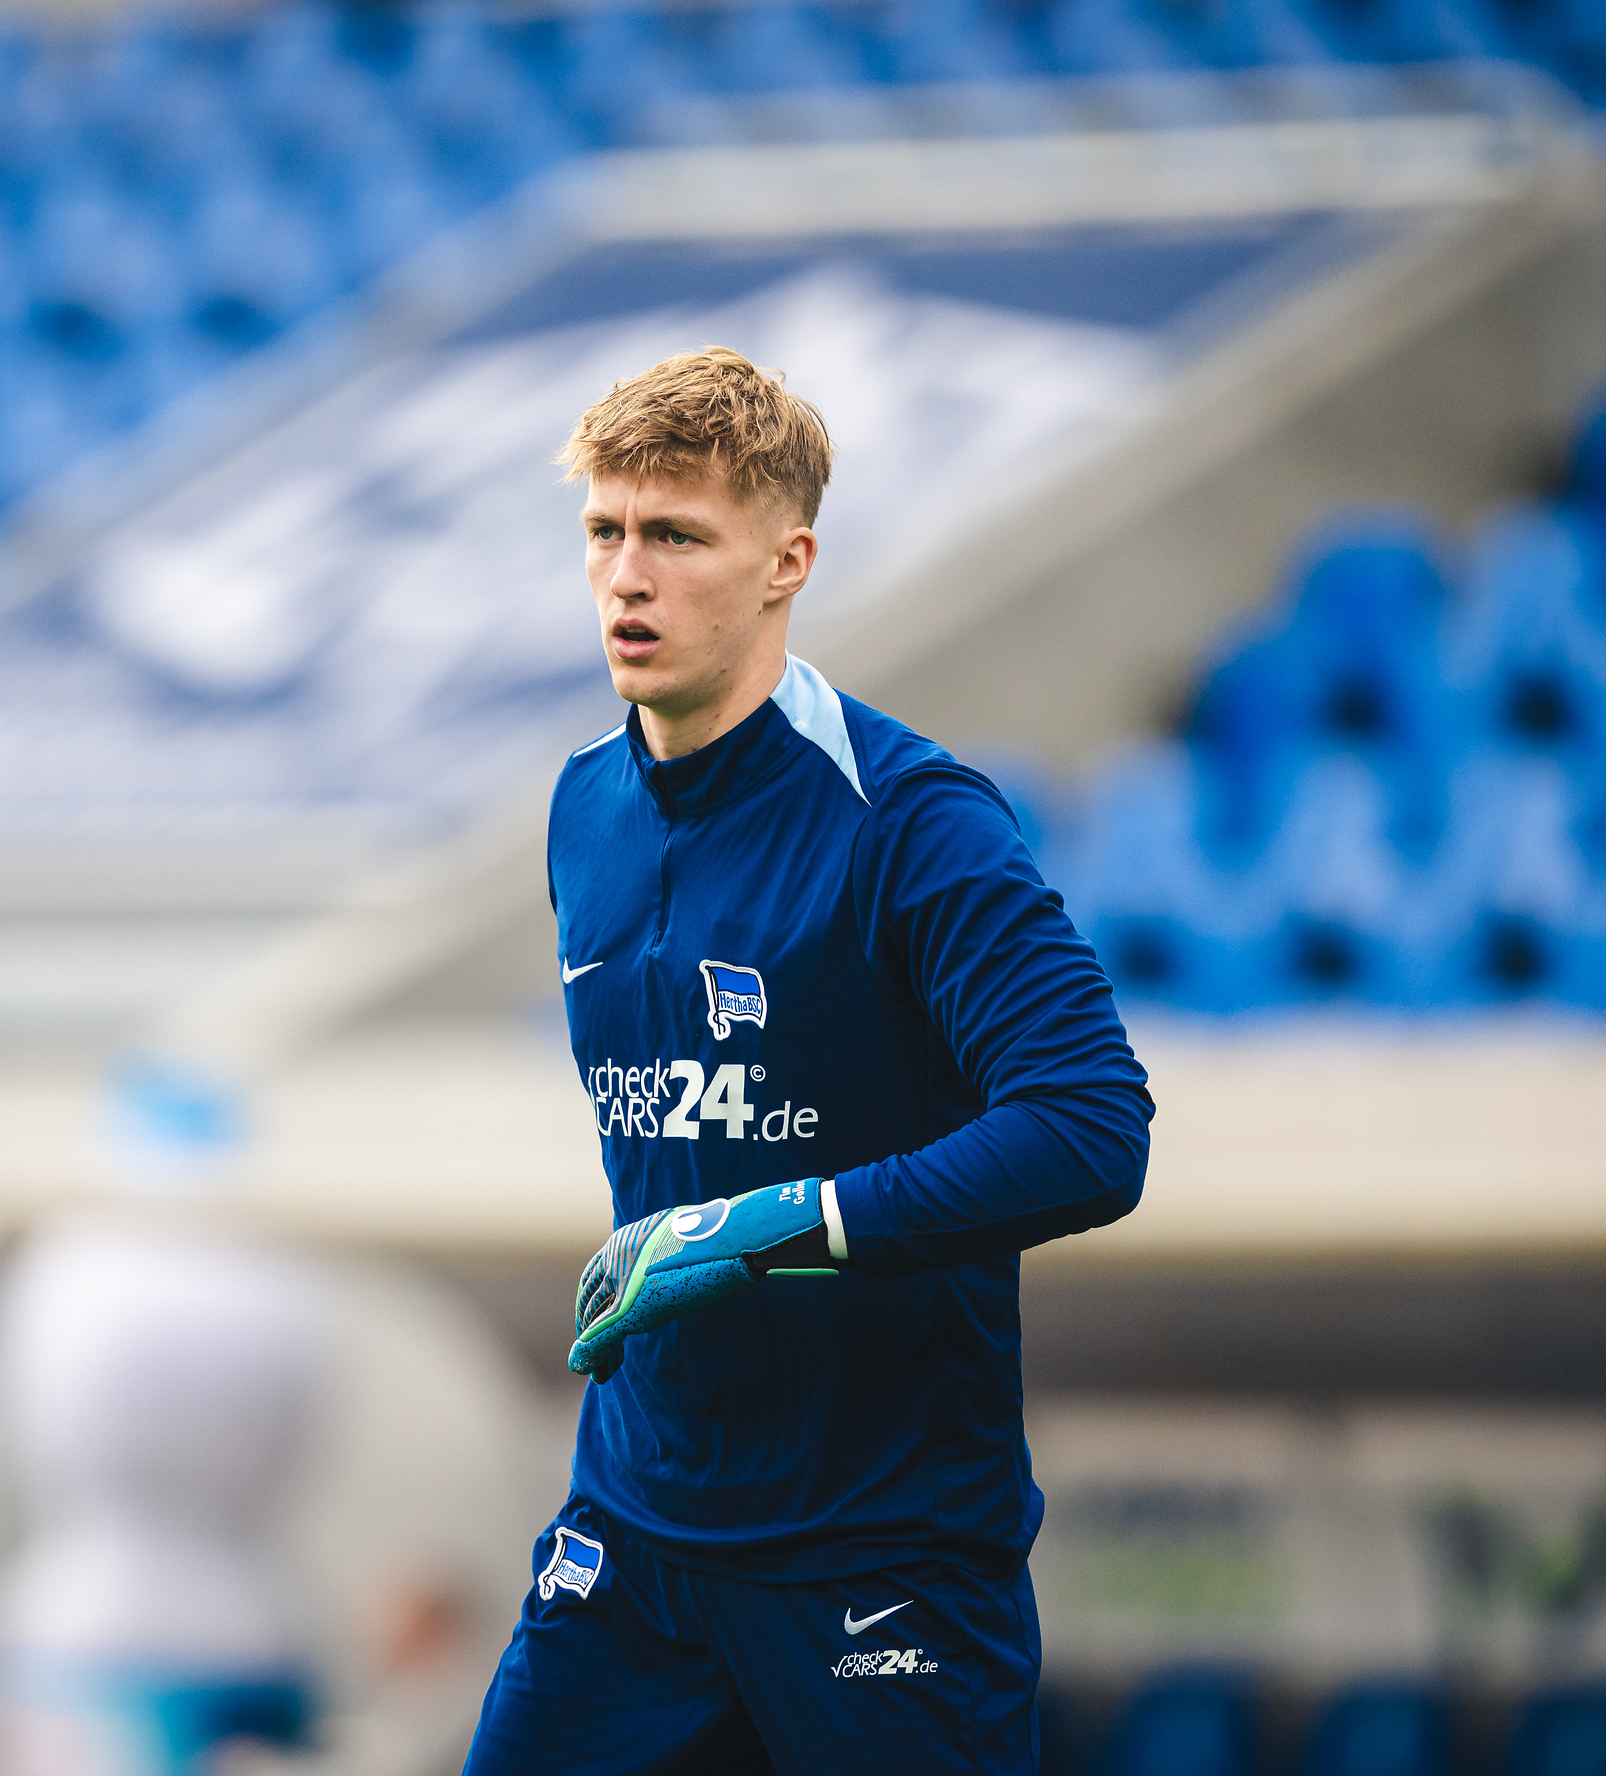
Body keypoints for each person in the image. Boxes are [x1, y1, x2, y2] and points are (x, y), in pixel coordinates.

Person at [462, 349, 1154, 1774]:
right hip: (635, 1533)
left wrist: (776, 1226)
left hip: (880, 1558)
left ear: (788, 562)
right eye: (605, 532)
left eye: (676, 537)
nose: (626, 578)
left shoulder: (912, 818)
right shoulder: (582, 808)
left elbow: (1093, 1125)